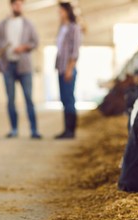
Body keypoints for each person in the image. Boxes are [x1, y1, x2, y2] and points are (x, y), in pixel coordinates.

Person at [0, 0, 42, 139]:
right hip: (8, 66)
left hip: (24, 66)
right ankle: (14, 129)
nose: (18, 6)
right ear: (11, 5)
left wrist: (24, 47)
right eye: (16, 4)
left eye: (21, 4)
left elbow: (35, 42)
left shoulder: (28, 24)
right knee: (10, 99)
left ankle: (34, 130)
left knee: (28, 97)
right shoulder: (3, 24)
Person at [55, 1, 82, 139]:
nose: (59, 14)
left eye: (61, 11)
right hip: (60, 68)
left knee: (69, 99)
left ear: (67, 12)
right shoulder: (62, 28)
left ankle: (71, 130)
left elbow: (75, 51)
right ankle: (66, 129)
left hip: (68, 69)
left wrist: (69, 69)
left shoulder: (74, 28)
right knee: (64, 100)